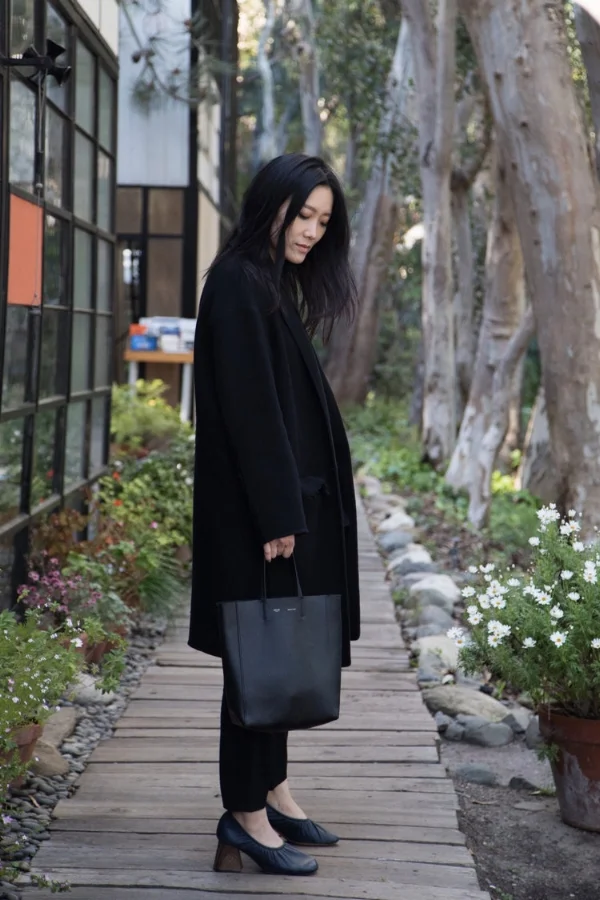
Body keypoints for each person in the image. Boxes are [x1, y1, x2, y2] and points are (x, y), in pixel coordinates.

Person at [188, 153, 360, 877]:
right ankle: (244, 815)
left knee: (278, 650)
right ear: (272, 206)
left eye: (323, 220)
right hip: (259, 518)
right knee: (254, 662)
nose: (313, 232)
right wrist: (276, 516)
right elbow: (251, 413)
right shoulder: (237, 283)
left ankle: (274, 792)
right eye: (304, 215)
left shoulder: (265, 281)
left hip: (280, 508)